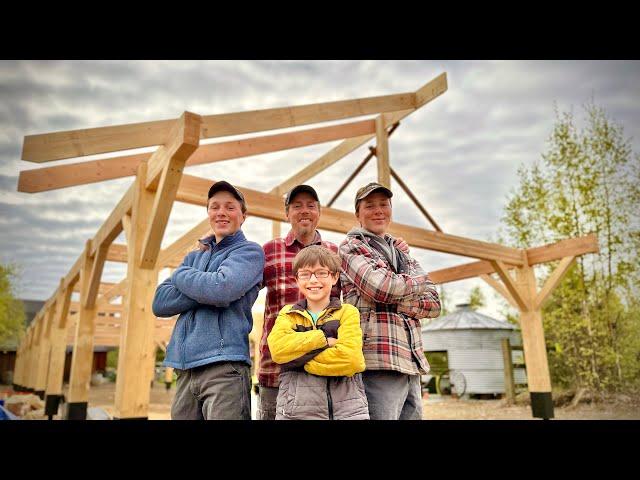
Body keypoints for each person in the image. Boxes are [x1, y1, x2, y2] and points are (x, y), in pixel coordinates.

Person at [257, 184, 409, 420]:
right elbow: (241, 293)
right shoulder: (269, 251)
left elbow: (355, 297)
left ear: (319, 212)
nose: (304, 211)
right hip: (274, 371)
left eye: (311, 206)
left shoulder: (335, 253)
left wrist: (392, 247)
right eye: (297, 206)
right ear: (287, 213)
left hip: (328, 377)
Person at [152, 181, 264, 420]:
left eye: (230, 207)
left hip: (225, 368)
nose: (221, 212)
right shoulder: (195, 256)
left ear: (243, 216)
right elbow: (160, 303)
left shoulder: (249, 252)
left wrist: (181, 275)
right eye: (214, 207)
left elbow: (221, 290)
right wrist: (205, 289)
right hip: (185, 369)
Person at [339, 182, 441, 420]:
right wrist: (418, 283)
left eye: (384, 204)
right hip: (378, 359)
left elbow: (435, 303)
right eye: (370, 206)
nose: (378, 210)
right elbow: (381, 288)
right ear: (357, 214)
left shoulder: (401, 252)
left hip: (410, 360)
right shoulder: (352, 247)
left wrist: (398, 298)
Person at [267, 245, 368, 420]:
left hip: (348, 410)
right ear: (297, 279)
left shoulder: (347, 312)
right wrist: (324, 340)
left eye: (321, 273)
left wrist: (299, 361)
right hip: (296, 410)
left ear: (335, 277)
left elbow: (352, 360)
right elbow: (277, 350)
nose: (313, 280)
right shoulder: (288, 313)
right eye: (305, 274)